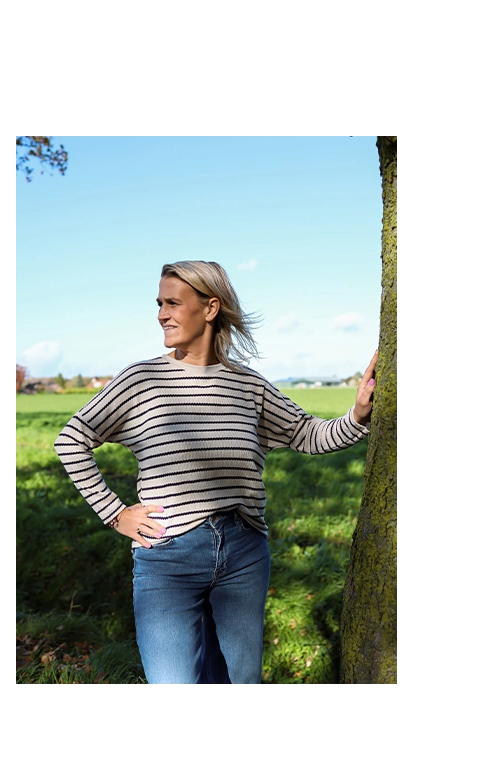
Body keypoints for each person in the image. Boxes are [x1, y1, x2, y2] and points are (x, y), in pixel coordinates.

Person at [54, 261, 377, 686]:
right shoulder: (141, 380)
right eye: (159, 304)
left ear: (210, 308)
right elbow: (71, 439)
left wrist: (358, 415)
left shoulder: (248, 385)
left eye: (173, 303)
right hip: (167, 556)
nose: (161, 314)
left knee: (239, 686)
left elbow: (307, 434)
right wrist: (115, 514)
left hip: (244, 553)